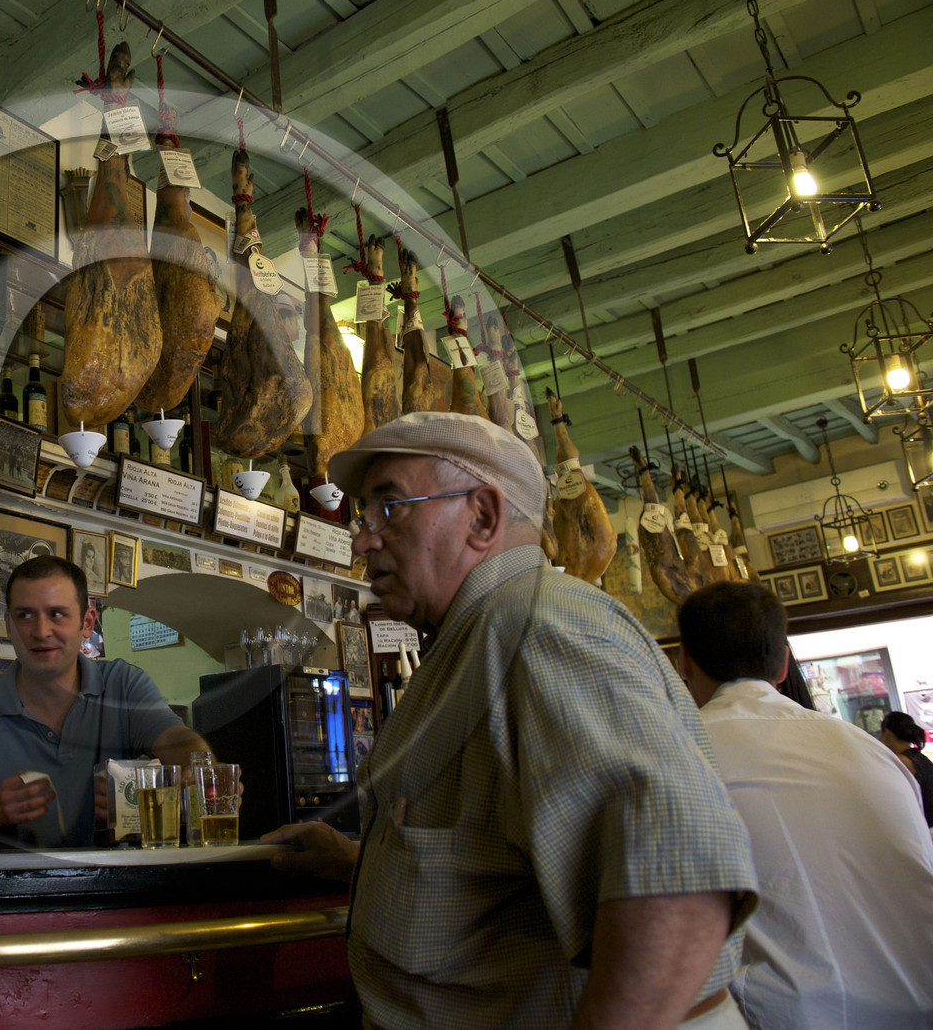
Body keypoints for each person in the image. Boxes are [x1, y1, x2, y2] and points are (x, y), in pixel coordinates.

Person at [265, 412, 758, 1028]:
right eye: (365, 516)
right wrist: (355, 861)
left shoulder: (541, 628)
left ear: (482, 517)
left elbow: (680, 887)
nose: (362, 540)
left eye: (388, 509)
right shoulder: (480, 637)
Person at [678, 582, 933, 1026]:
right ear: (782, 666)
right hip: (919, 1001)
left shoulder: (678, 753)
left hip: (794, 1016)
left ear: (683, 662)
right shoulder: (872, 752)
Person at [0, 555, 210, 848]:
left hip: (114, 876)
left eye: (57, 614)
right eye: (25, 615)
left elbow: (178, 741)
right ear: (8, 625)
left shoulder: (124, 685)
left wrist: (200, 774)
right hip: (5, 879)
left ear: (87, 623)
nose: (41, 631)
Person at [879, 710, 933, 827]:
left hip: (922, 828)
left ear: (888, 735)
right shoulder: (921, 758)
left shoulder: (900, 763)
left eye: (881, 734)